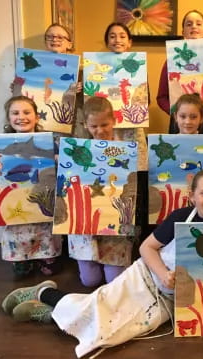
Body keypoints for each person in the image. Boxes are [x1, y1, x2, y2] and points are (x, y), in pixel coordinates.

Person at [1, 169, 203, 358]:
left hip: (175, 298)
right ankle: (45, 294)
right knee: (100, 306)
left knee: (120, 330)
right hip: (147, 277)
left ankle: (50, 314)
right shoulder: (179, 217)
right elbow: (147, 247)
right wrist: (163, 273)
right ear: (193, 195)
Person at [0, 96, 63, 278]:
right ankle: (22, 258)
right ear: (9, 118)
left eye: (27, 112)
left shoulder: (50, 142)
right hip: (16, 206)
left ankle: (47, 257)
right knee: (17, 233)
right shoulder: (0, 141)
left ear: (36, 117)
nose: (21, 117)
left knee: (44, 227)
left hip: (42, 200)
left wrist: (59, 159)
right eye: (15, 113)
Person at [66, 96, 134, 287]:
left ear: (114, 120)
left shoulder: (126, 149)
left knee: (115, 282)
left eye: (104, 124)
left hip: (115, 226)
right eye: (94, 126)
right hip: (87, 226)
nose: (100, 130)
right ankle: (88, 262)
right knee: (90, 281)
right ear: (86, 125)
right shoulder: (79, 150)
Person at [103, 21, 151, 240]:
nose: (117, 40)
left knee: (136, 184)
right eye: (112, 36)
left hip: (132, 132)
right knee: (114, 181)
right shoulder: (97, 68)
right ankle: (114, 228)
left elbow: (145, 101)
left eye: (122, 36)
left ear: (130, 42)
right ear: (106, 42)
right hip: (109, 133)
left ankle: (137, 233)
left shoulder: (139, 69)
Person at [157, 9, 203, 134]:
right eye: (189, 24)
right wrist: (176, 113)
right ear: (183, 32)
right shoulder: (171, 61)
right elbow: (162, 97)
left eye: (198, 24)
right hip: (180, 125)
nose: (194, 26)